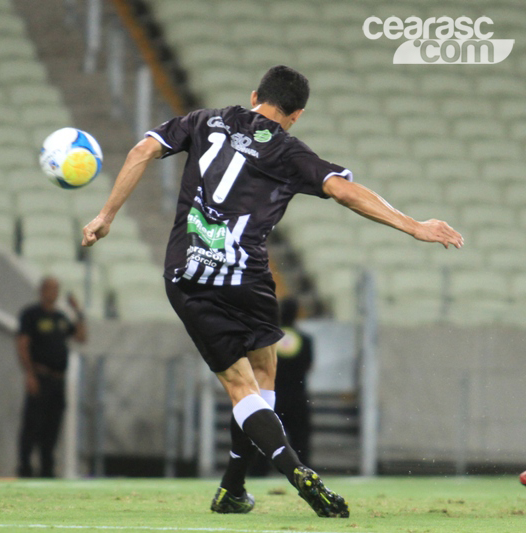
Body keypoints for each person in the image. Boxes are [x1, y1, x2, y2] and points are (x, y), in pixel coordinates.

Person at [81, 65, 462, 517]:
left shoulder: (206, 121)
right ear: (296, 114)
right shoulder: (288, 150)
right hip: (249, 278)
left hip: (190, 274)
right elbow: (344, 192)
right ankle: (234, 487)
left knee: (239, 387)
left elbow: (142, 149)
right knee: (263, 376)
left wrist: (106, 215)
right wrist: (414, 226)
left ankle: (289, 471)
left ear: (255, 94)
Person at [16, 276, 87, 478]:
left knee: (52, 425)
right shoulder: (31, 315)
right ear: (41, 290)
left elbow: (81, 338)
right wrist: (29, 374)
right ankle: (25, 468)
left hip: (58, 380)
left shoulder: (61, 318)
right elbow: (22, 344)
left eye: (56, 289)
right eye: (50, 288)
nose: (53, 293)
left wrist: (78, 312)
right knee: (32, 424)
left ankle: (47, 469)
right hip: (40, 376)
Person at [253, 297, 314, 476]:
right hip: (297, 396)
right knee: (300, 439)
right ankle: (304, 474)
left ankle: (259, 473)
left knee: (266, 437)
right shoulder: (305, 339)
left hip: (272, 395)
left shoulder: (269, 338)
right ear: (297, 314)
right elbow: (308, 365)